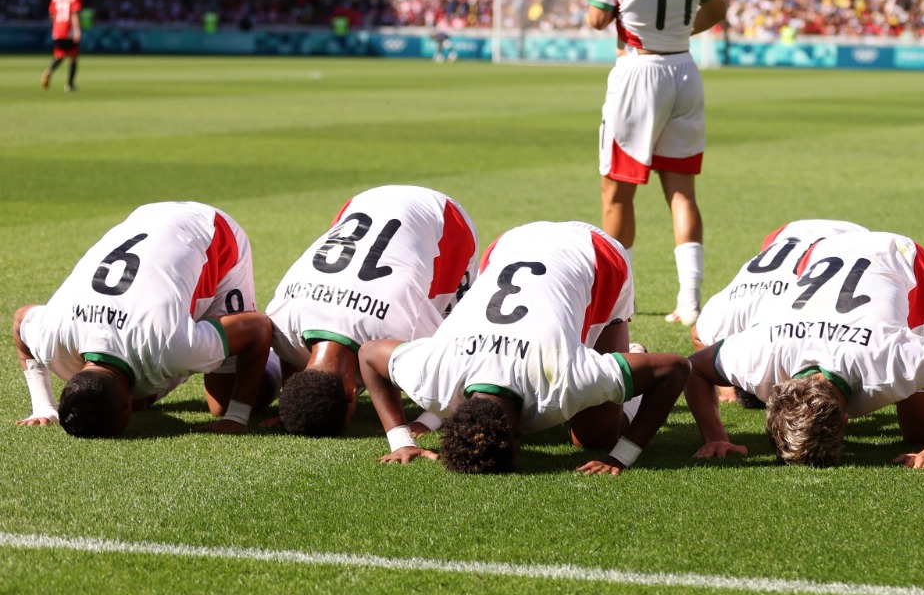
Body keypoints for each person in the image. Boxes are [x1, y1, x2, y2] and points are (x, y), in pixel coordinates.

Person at [357, 220, 688, 474]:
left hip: (596, 254)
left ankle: (634, 357)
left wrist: (622, 456)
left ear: (519, 433)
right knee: (590, 423)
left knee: (597, 438)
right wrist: (400, 439)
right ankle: (620, 364)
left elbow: (674, 368)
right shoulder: (432, 377)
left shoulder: (563, 380)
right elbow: (369, 353)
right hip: (510, 242)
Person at [684, 230, 924, 468]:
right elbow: (693, 367)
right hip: (821, 251)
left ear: (844, 419)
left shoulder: (888, 359)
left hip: (902, 258)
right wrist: (716, 437)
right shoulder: (758, 354)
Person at [12, 201, 276, 437]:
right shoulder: (51, 335)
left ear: (125, 406)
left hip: (210, 232)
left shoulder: (172, 346)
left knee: (223, 402)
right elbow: (20, 320)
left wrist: (236, 417)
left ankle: (281, 356)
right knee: (145, 388)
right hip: (145, 218)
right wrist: (44, 408)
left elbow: (258, 327)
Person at [584, 0, 727, 325]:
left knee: (616, 192)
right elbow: (716, 10)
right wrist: (676, 32)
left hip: (639, 71)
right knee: (681, 192)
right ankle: (690, 301)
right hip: (684, 69)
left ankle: (616, 303)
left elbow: (597, 18)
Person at [266, 185, 479, 437]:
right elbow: (289, 354)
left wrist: (426, 421)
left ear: (351, 394)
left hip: (444, 219)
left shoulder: (407, 329)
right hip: (363, 201)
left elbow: (457, 371)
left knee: (455, 328)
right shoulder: (279, 322)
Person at [691, 218, 868, 402]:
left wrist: (727, 390)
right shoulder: (722, 320)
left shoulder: (795, 327)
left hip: (850, 241)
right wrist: (725, 385)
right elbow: (697, 335)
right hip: (791, 233)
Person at [41, 0, 82, 93]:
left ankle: (49, 70)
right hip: (69, 29)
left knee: (60, 54)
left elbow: (51, 14)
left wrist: (56, 26)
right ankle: (69, 85)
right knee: (73, 56)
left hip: (58, 28)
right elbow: (74, 13)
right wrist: (77, 30)